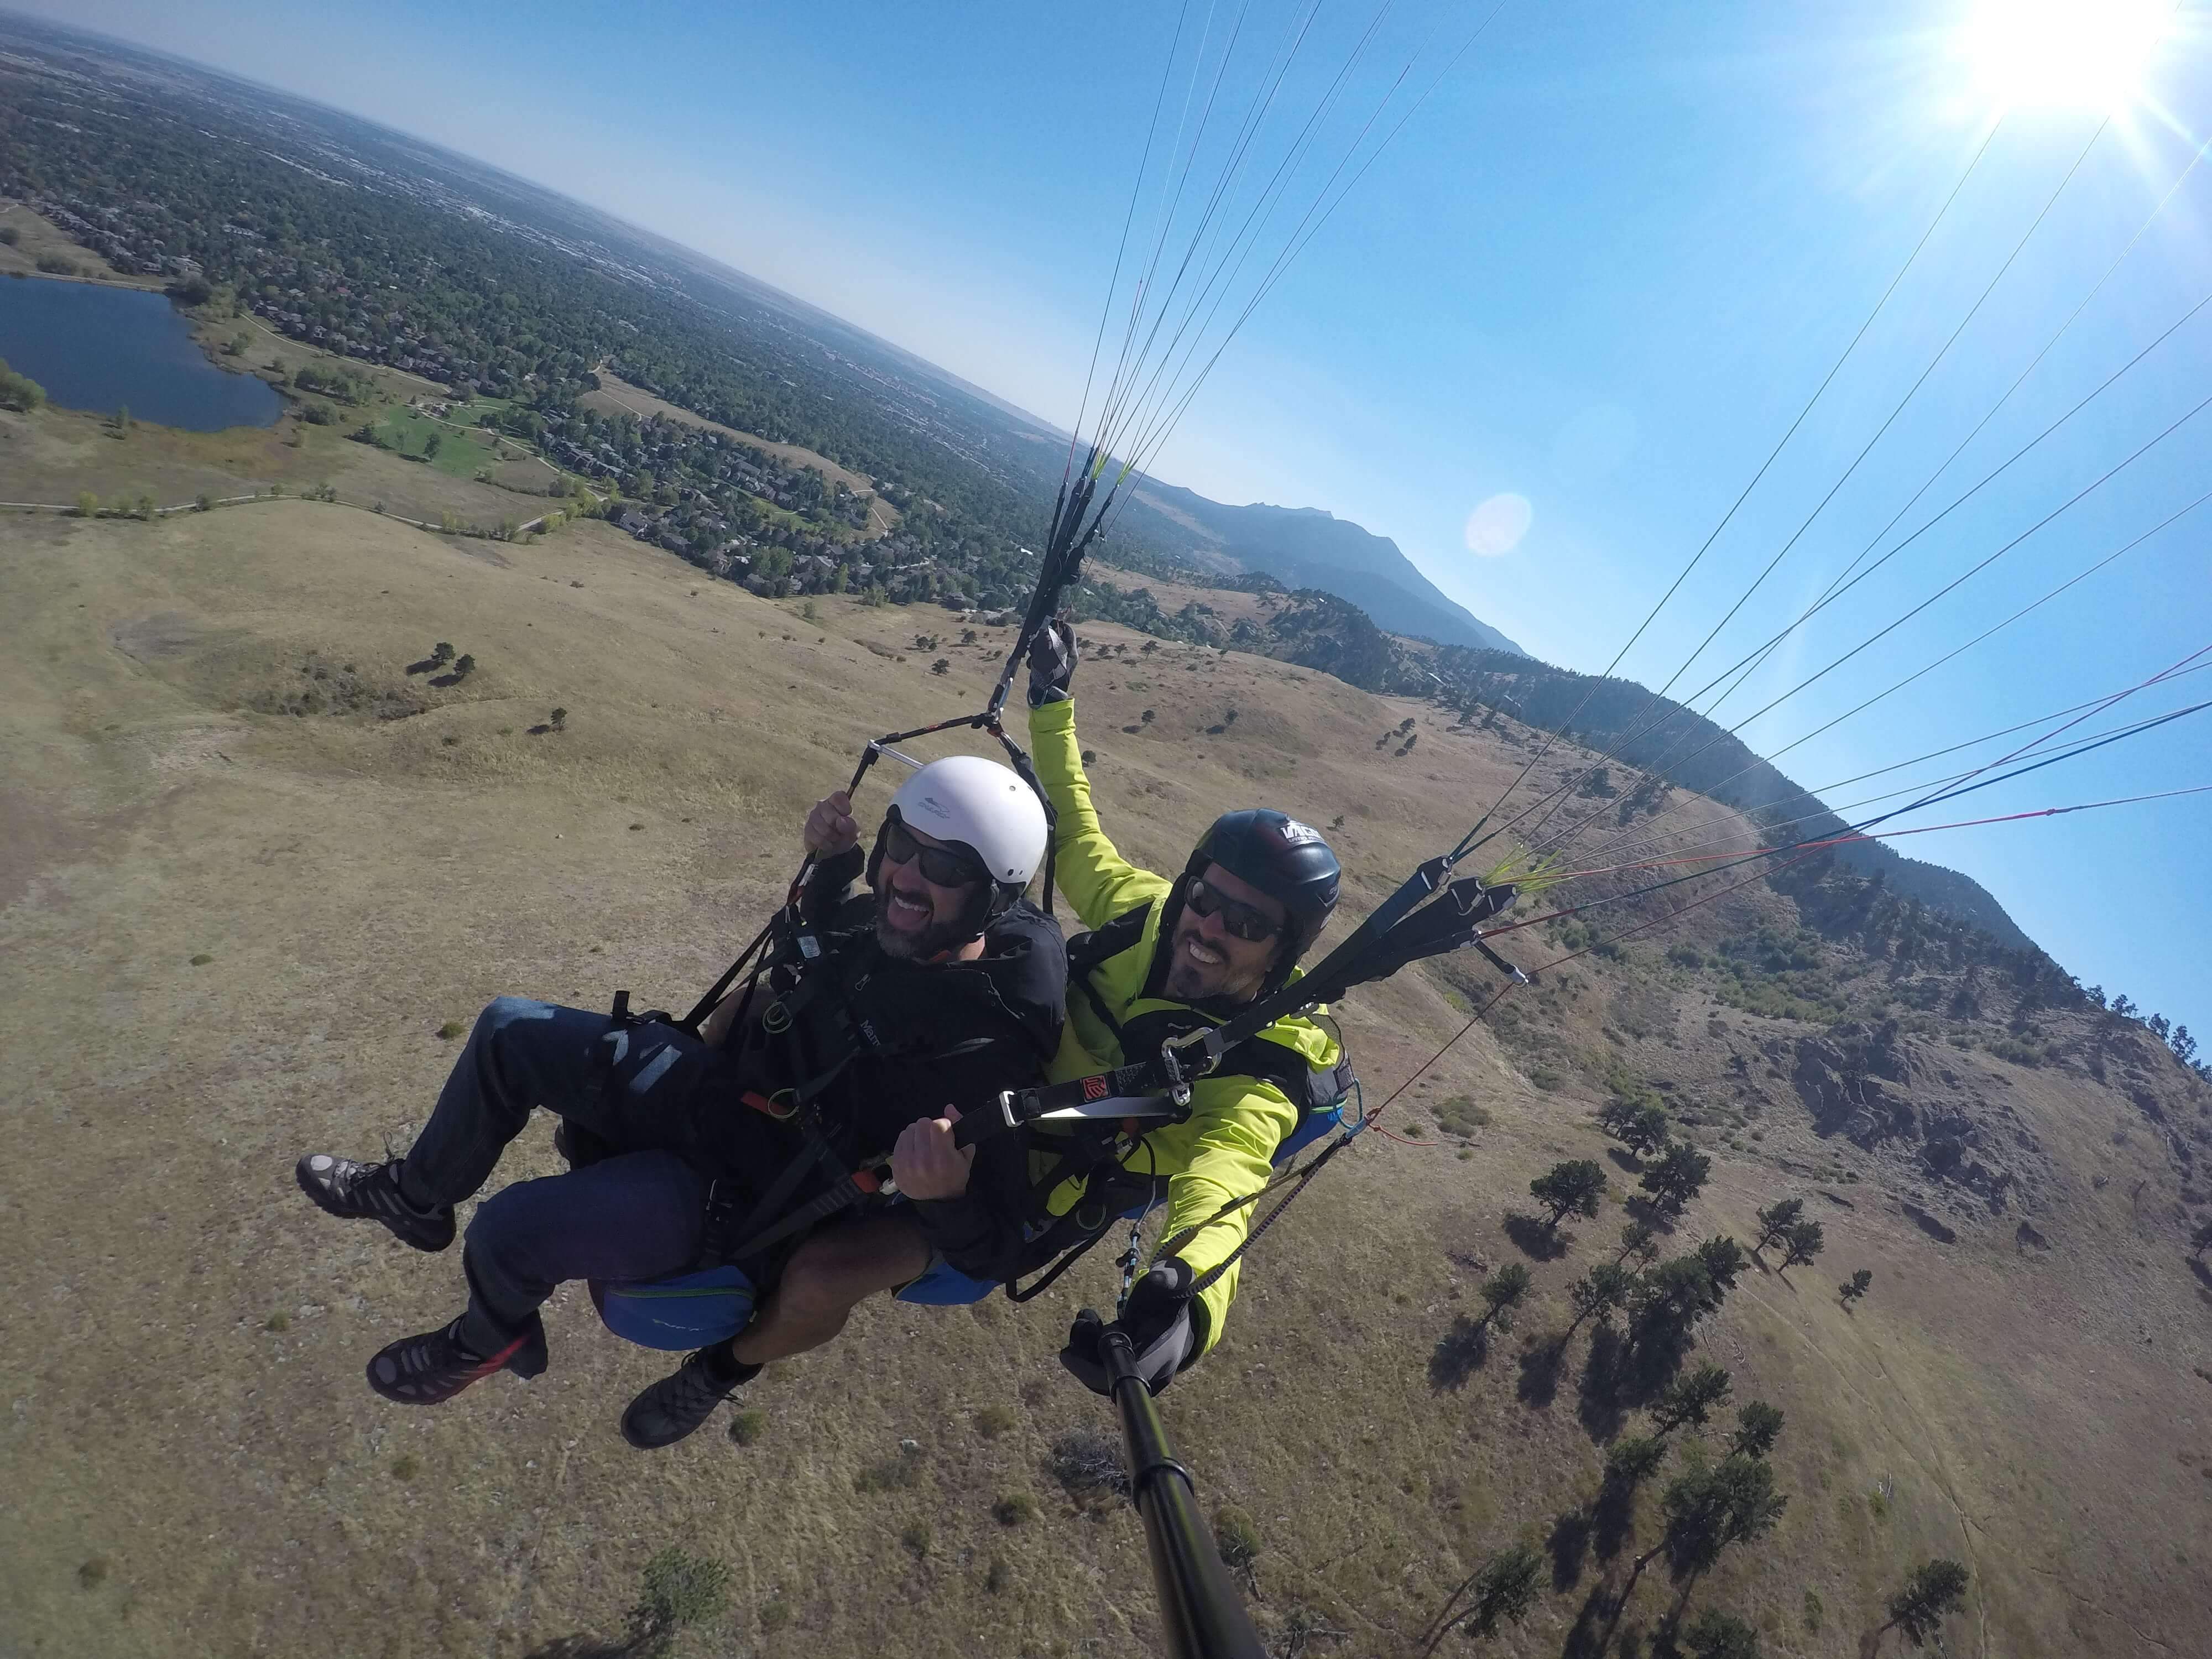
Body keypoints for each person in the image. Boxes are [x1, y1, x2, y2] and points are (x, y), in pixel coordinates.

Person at [294, 754, 1065, 1447]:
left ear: (993, 897)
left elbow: (998, 1251)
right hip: (708, 1090)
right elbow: (830, 927)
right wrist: (834, 866)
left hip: (736, 1189)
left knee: (507, 1233)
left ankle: (487, 1339)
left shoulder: (988, 1053)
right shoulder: (892, 921)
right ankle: (414, 1196)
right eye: (901, 845)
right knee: (506, 1031)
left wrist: (949, 1194)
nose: (904, 877)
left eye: (943, 866)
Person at [1020, 621, 1348, 1396]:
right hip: (980, 1084)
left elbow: (1226, 1184)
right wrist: (1051, 702)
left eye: (1247, 926)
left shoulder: (1260, 1067)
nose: (1209, 931)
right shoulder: (1150, 912)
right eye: (1208, 902)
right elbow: (1075, 835)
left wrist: (1183, 1300)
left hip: (1035, 1185)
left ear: (1281, 952)